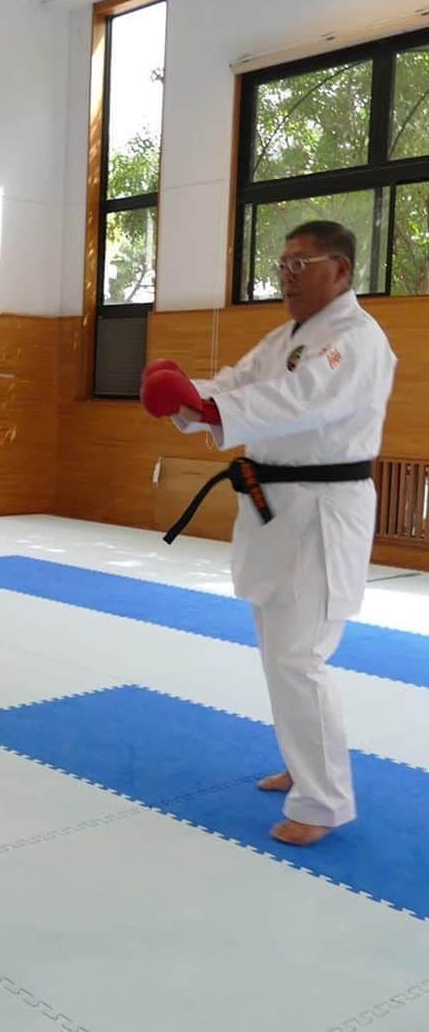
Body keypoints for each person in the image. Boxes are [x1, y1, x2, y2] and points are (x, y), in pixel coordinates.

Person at [141, 220, 396, 846]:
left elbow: (300, 401)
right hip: (276, 502)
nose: (286, 276)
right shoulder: (290, 335)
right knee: (277, 646)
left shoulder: (357, 340)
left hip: (323, 509)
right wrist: (189, 396)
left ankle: (324, 801)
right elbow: (240, 383)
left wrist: (209, 411)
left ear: (339, 269)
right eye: (282, 264)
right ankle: (305, 761)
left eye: (300, 264)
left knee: (298, 656)